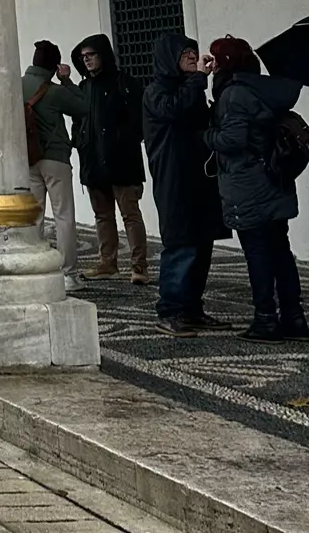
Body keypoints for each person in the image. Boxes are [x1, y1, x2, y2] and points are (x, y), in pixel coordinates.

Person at [207, 35, 308, 340]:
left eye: (215, 60)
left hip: (248, 186)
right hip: (274, 182)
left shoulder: (234, 94)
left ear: (226, 63)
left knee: (258, 255)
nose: (210, 68)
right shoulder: (263, 89)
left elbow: (232, 141)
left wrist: (207, 134)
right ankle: (294, 318)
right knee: (280, 252)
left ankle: (266, 319)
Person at [143, 33, 226, 334]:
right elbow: (171, 110)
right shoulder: (156, 92)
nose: (192, 57)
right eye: (184, 54)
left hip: (199, 177)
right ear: (169, 59)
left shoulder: (191, 89)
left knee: (202, 242)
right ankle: (170, 309)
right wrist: (197, 81)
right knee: (181, 243)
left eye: (193, 51)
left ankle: (191, 308)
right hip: (174, 178)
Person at [70, 34, 148, 281]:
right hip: (93, 161)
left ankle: (139, 267)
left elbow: (138, 119)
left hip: (121, 161)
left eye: (91, 55)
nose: (87, 60)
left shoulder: (124, 82)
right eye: (83, 57)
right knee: (103, 216)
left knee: (130, 214)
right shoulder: (84, 87)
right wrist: (80, 142)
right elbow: (78, 120)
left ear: (103, 54)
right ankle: (108, 263)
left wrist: (121, 141)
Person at [22, 40, 87, 284]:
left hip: (28, 158)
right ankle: (68, 274)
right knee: (63, 216)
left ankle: (35, 269)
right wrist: (67, 80)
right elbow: (83, 107)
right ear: (53, 65)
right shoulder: (54, 90)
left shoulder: (16, 85)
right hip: (56, 159)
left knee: (34, 216)